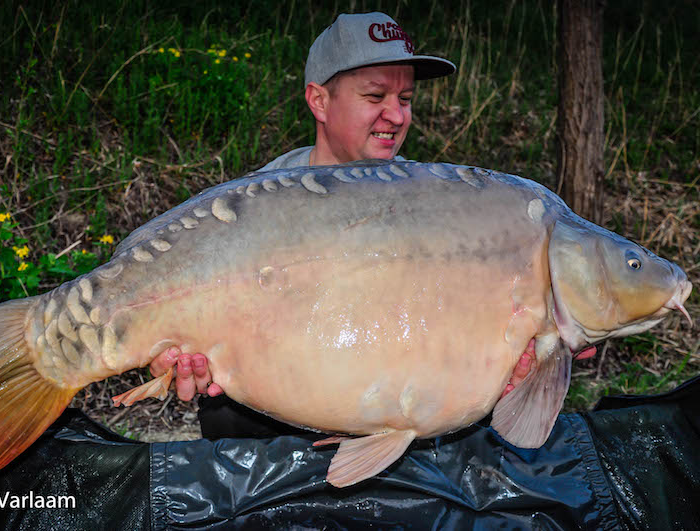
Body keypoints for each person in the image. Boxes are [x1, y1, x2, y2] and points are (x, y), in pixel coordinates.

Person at [150, 12, 594, 437]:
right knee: (223, 409)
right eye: (375, 96)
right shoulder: (251, 211)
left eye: (405, 99)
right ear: (319, 101)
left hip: (392, 412)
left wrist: (520, 364)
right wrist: (171, 352)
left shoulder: (441, 206)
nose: (397, 116)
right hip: (275, 424)